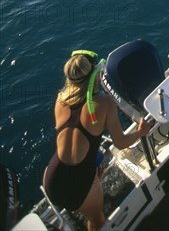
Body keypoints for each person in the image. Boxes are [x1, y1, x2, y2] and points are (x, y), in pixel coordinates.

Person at [43, 51, 151, 231]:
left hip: (52, 179)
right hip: (79, 183)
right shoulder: (106, 104)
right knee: (96, 218)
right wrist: (140, 132)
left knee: (88, 165)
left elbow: (73, 146)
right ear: (95, 76)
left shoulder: (60, 100)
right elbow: (121, 143)